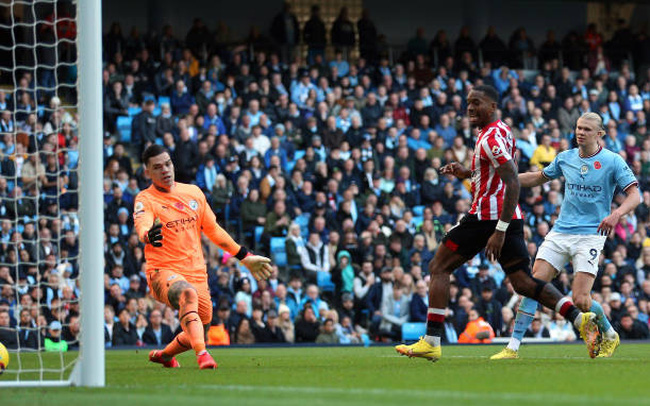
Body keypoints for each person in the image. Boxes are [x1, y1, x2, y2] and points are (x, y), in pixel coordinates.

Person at [395, 85, 599, 362]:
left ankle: (431, 341)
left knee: (438, 266)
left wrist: (499, 231)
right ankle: (579, 319)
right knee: (524, 283)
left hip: (487, 217)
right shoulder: (500, 130)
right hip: (507, 215)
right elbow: (494, 171)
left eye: (476, 103)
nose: (469, 108)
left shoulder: (490, 139)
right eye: (468, 103)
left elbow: (512, 180)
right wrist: (467, 172)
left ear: (491, 106)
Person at [492, 112, 640, 359]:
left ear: (599, 134)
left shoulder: (613, 161)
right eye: (579, 128)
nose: (580, 132)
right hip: (560, 231)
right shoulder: (565, 158)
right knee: (533, 285)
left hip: (591, 235)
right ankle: (513, 347)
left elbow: (636, 195)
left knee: (581, 300)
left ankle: (610, 334)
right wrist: (506, 179)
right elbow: (539, 177)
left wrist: (617, 214)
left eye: (587, 129)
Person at [134, 145, 272, 370]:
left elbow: (214, 230)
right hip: (162, 271)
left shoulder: (193, 193)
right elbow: (143, 225)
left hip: (197, 273)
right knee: (186, 294)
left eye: (167, 164)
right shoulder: (145, 199)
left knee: (199, 329)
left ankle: (165, 355)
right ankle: (203, 355)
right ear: (147, 172)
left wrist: (245, 256)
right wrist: (147, 235)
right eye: (157, 167)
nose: (165, 170)